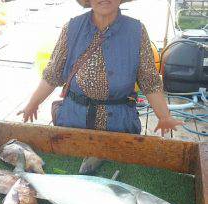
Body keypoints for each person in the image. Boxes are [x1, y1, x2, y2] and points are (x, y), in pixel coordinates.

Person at [18, 0, 183, 139]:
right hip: (73, 119)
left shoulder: (136, 31)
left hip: (119, 123)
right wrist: (32, 104)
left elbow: (150, 82)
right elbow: (52, 75)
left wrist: (164, 116)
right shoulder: (72, 28)